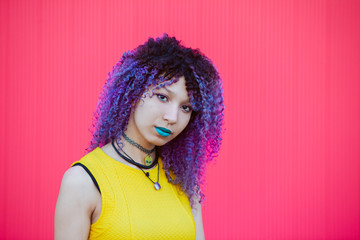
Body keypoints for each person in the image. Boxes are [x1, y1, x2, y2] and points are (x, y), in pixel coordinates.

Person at [54, 34, 224, 240]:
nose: (172, 117)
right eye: (162, 97)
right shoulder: (82, 181)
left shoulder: (184, 181)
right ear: (133, 92)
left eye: (186, 107)